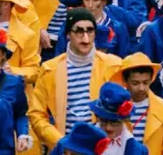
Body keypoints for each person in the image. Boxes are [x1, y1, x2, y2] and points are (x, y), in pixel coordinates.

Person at [29, 8, 124, 150]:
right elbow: (36, 113)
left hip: (105, 147)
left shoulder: (113, 65)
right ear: (68, 34)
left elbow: (124, 110)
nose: (85, 37)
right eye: (79, 31)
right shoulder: (50, 69)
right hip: (65, 147)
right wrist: (60, 141)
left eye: (90, 31)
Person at [114, 52, 163, 155]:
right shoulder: (113, 107)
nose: (141, 88)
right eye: (135, 83)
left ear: (151, 80)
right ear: (125, 80)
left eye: (146, 82)